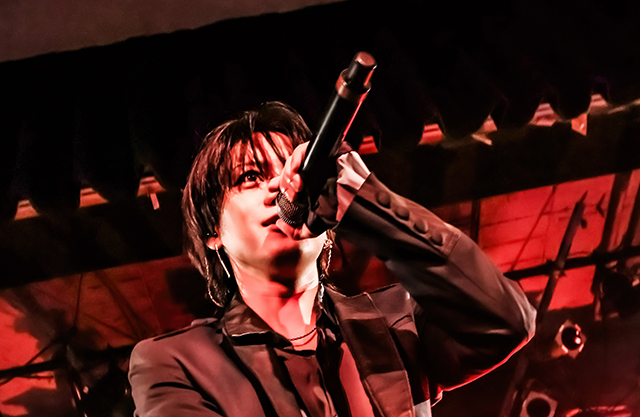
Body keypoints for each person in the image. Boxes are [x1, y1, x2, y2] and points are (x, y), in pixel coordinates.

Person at [128, 101, 536, 417]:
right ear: (213, 232)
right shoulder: (176, 362)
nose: (280, 186)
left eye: (293, 172)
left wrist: (364, 201)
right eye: (250, 177)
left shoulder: (397, 322)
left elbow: (505, 322)